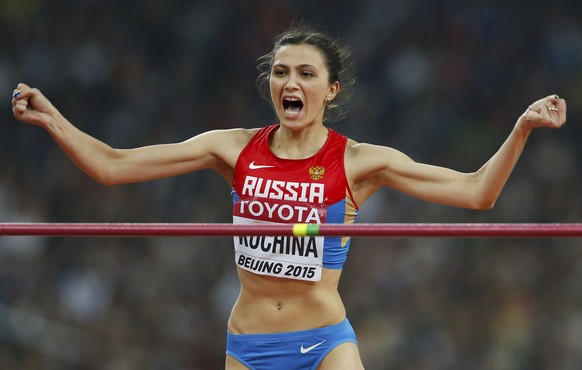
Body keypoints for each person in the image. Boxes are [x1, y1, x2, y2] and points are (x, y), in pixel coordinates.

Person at [11, 21, 566, 370]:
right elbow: (112, 166)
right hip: (249, 346)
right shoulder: (231, 149)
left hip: (326, 341)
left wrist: (519, 129)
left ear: (330, 90)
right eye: (280, 72)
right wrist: (53, 120)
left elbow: (476, 194)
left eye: (305, 73)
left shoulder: (359, 162)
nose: (290, 82)